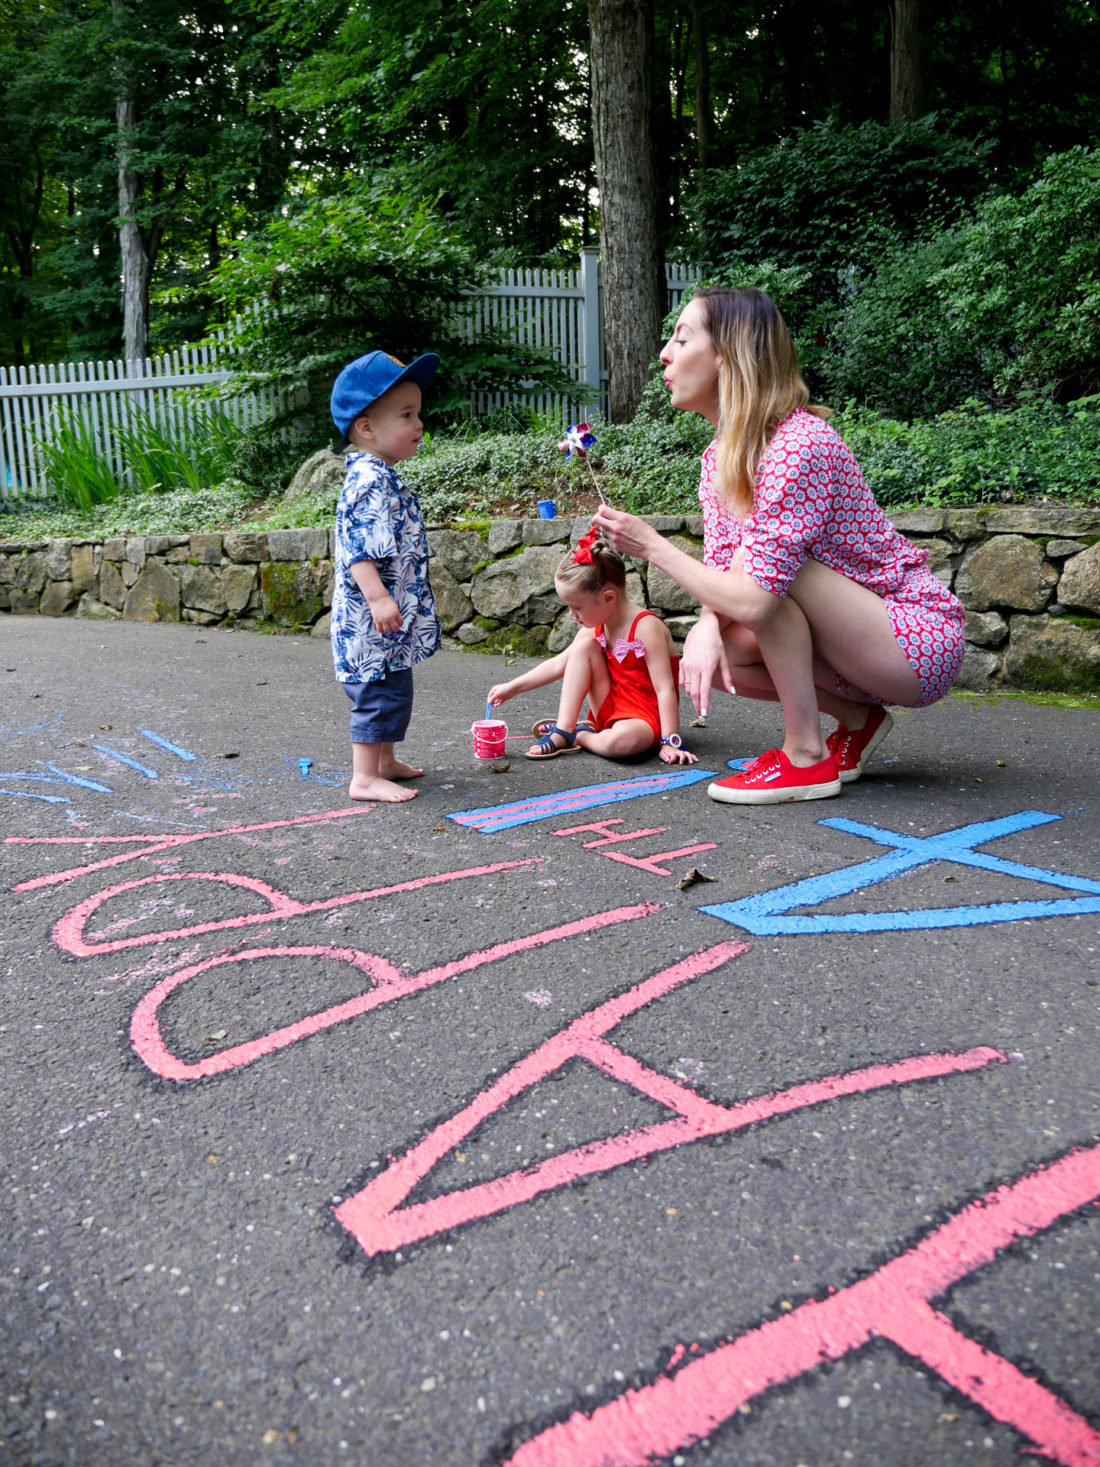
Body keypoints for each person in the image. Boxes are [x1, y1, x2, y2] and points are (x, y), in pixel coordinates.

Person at [593, 287, 965, 804]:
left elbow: (758, 595)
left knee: (772, 587)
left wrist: (653, 547)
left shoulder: (799, 444)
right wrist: (704, 626)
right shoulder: (719, 459)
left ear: (730, 354)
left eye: (682, 338)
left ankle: (805, 756)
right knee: (725, 652)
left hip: (914, 640)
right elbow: (727, 569)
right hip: (855, 644)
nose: (665, 354)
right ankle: (857, 720)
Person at [329, 349, 442, 803]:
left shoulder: (382, 474)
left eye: (418, 412)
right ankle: (364, 777)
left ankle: (385, 761)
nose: (419, 424)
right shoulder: (369, 480)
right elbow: (358, 549)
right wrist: (377, 598)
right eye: (407, 414)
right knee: (376, 691)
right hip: (370, 620)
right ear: (367, 427)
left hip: (386, 621)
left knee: (395, 686)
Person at [487, 528, 697, 766]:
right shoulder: (594, 627)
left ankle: (581, 735)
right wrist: (512, 688)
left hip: (644, 720)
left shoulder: (646, 628)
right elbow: (559, 663)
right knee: (584, 644)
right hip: (609, 709)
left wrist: (670, 741)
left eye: (577, 607)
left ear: (608, 598)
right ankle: (564, 729)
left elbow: (665, 689)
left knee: (623, 742)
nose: (572, 614)